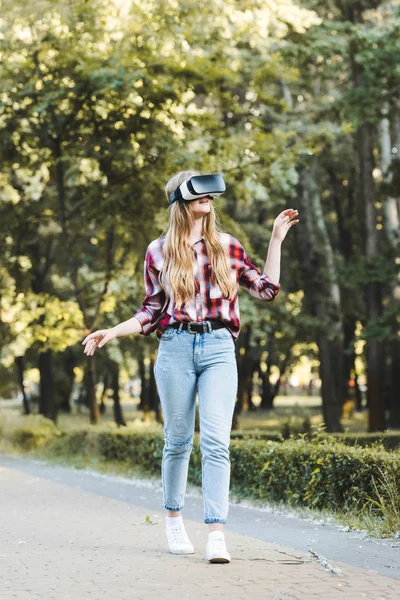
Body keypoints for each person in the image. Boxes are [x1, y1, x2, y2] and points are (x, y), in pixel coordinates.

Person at [81, 170, 299, 563]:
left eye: (211, 197)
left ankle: (216, 532)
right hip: (175, 347)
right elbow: (150, 311)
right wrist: (112, 332)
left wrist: (276, 240)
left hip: (218, 347)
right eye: (200, 195)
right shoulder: (158, 251)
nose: (209, 201)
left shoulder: (228, 247)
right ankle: (174, 520)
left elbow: (266, 289)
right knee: (178, 441)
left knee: (217, 442)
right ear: (181, 200)